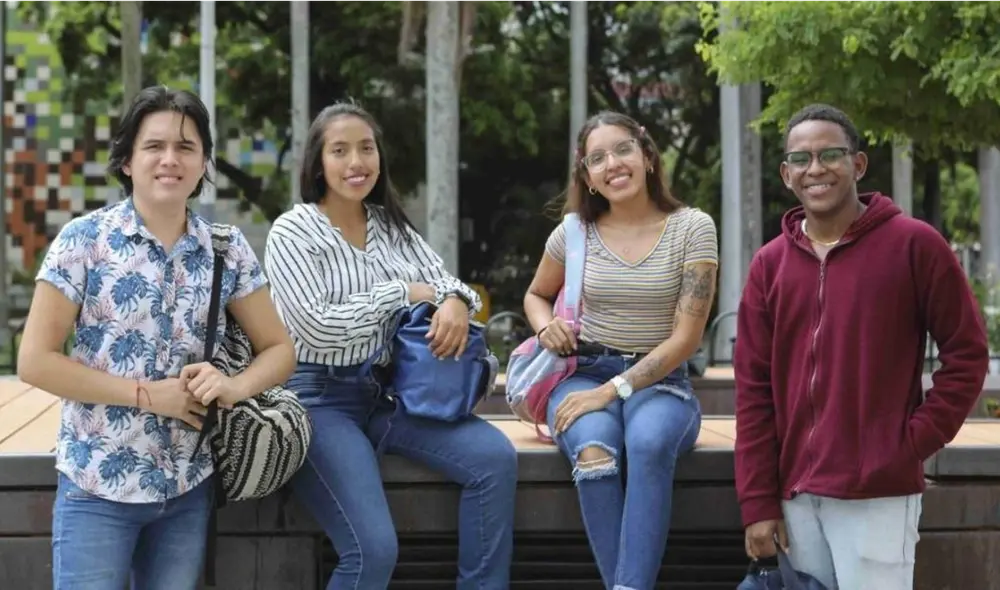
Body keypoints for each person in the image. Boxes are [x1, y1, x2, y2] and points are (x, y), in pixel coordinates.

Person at [16, 86, 296, 590]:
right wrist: (148, 396)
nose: (170, 159)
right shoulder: (83, 241)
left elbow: (279, 350)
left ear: (204, 163)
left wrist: (232, 387)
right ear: (126, 160)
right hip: (96, 487)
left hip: (188, 489)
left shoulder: (226, 250)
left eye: (186, 147)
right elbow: (34, 361)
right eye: (154, 146)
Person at [734, 103, 989, 589]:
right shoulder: (770, 265)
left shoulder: (915, 245)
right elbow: (752, 390)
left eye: (830, 154)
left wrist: (909, 444)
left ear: (858, 163)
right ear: (787, 174)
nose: (816, 169)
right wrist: (758, 501)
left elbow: (967, 354)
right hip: (794, 495)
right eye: (801, 159)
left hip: (877, 493)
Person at [263, 102, 517, 590]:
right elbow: (316, 328)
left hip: (390, 396)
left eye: (366, 148)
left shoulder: (393, 227)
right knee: (373, 551)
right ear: (319, 163)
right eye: (340, 151)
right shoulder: (293, 231)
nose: (356, 162)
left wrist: (455, 302)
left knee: (494, 460)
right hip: (317, 399)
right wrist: (401, 292)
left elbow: (447, 284)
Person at [522, 111, 717, 589]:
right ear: (586, 177)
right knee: (593, 452)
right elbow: (535, 294)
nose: (613, 164)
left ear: (647, 156)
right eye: (597, 158)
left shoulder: (693, 228)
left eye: (623, 149)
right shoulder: (573, 234)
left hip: (662, 380)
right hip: (584, 371)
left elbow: (686, 339)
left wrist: (612, 391)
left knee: (649, 443)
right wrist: (546, 327)